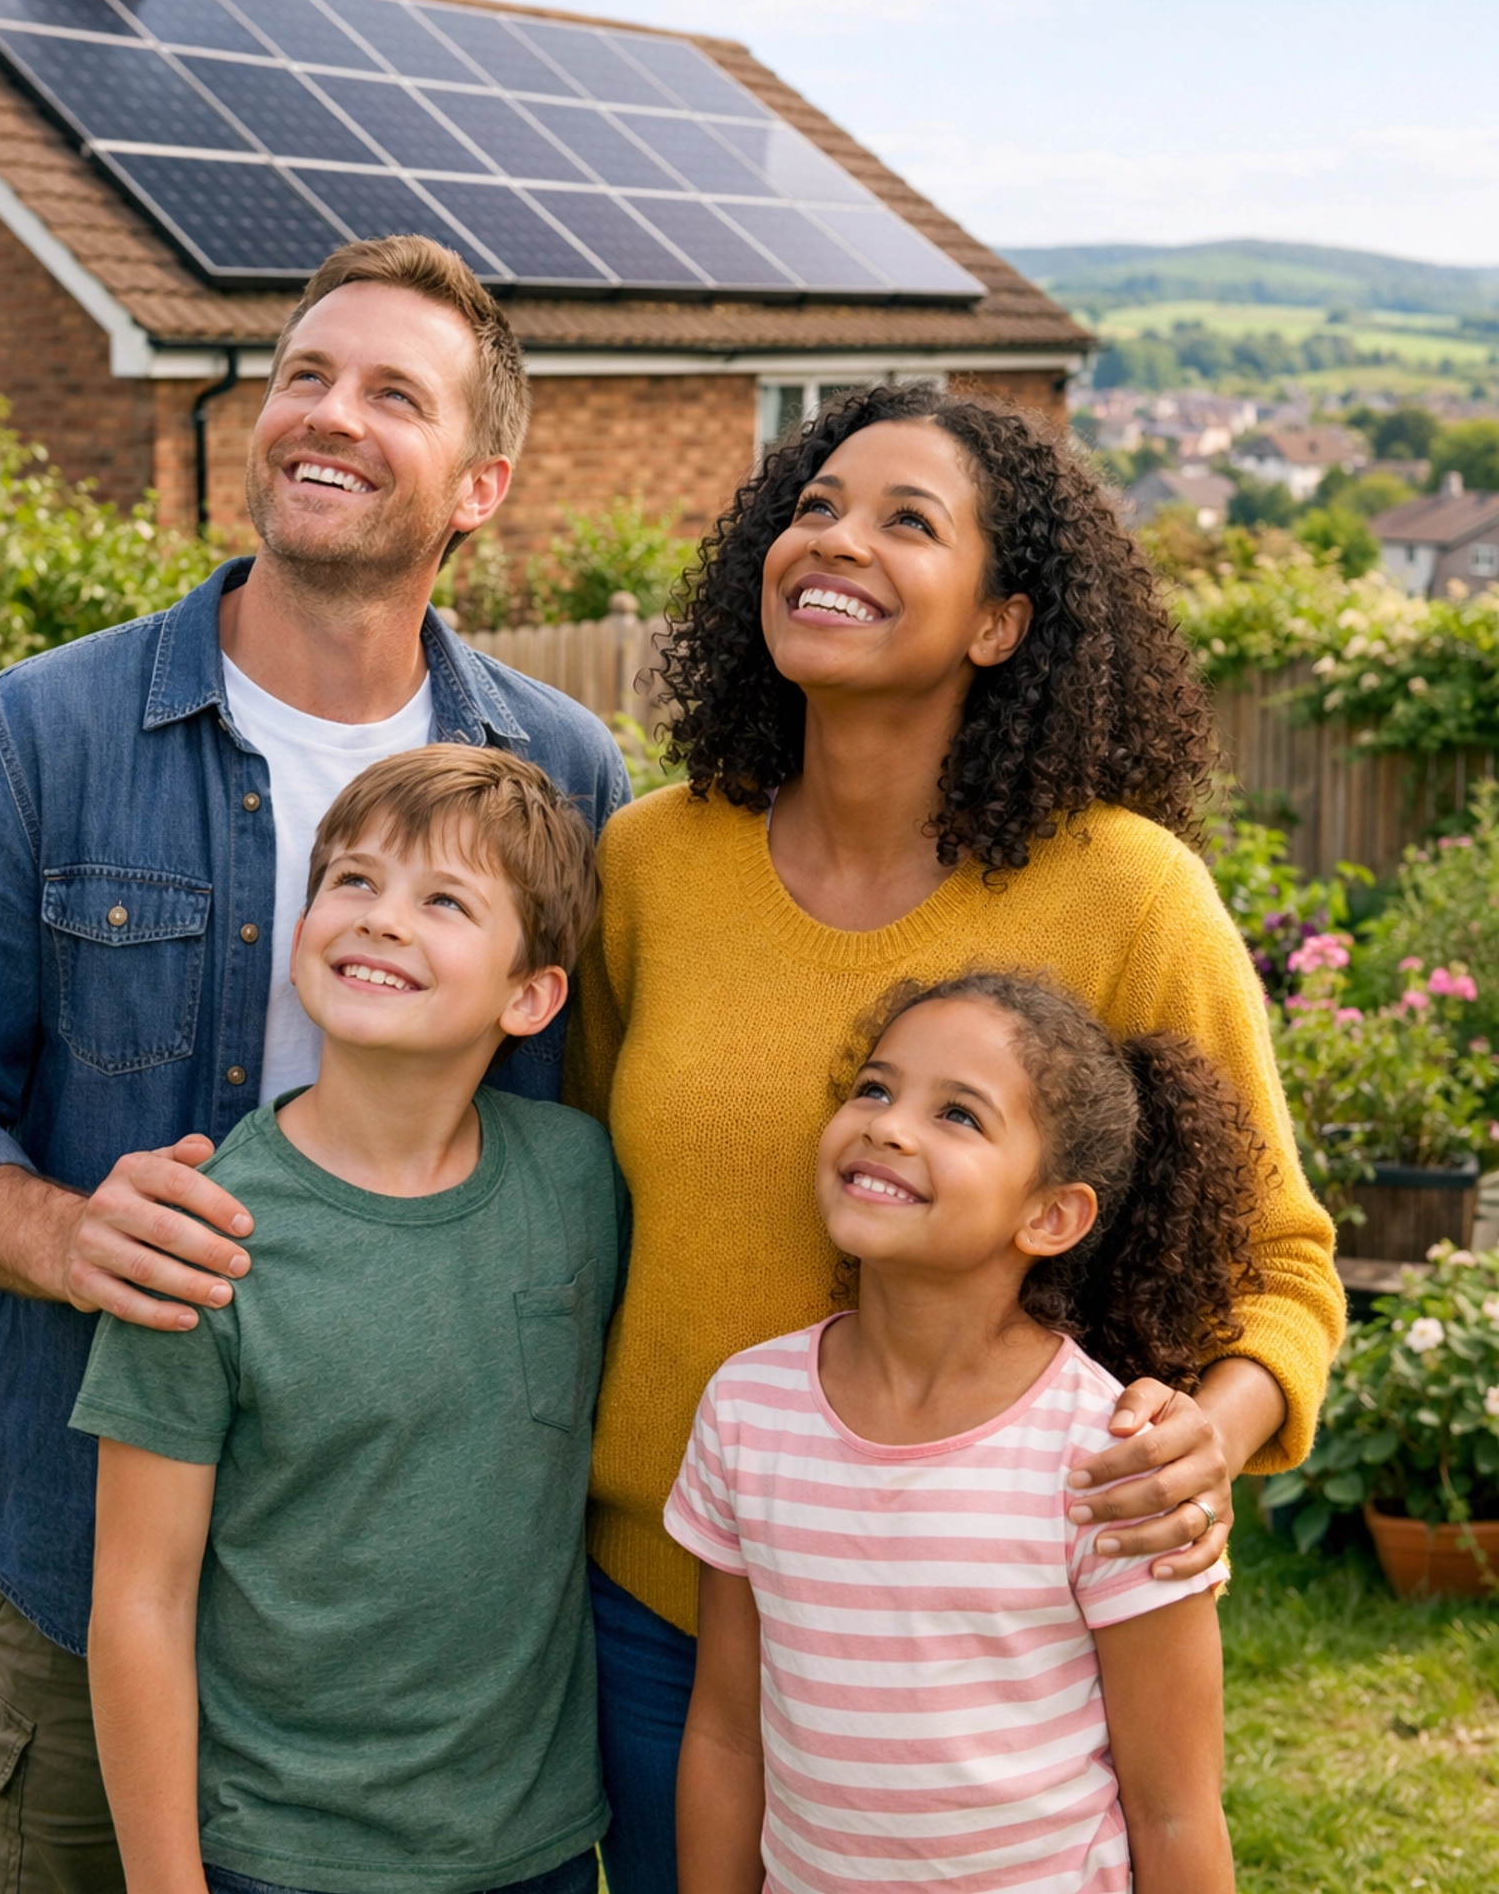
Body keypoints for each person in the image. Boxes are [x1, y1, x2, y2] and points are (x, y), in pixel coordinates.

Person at [569, 383, 1341, 1894]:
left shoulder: (1131, 896)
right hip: (663, 1621)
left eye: (906, 522)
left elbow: (1284, 1263)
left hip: (993, 1642)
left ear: (1001, 622)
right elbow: (574, 1198)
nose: (834, 541)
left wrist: (1217, 1433)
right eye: (813, 508)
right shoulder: (650, 863)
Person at [0, 236, 630, 1893]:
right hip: (94, 1548)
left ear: (478, 482)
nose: (324, 414)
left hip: (418, 1621)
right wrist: (51, 1229)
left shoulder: (559, 766)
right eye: (304, 375)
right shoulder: (34, 735)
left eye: (391, 392)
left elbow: (577, 1132)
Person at [74, 746, 625, 1894]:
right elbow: (139, 1599)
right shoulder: (203, 1233)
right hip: (280, 1851)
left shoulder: (578, 1182)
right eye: (355, 882)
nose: (382, 920)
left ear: (531, 996)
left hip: (534, 1846)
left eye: (444, 901)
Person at [669, 972, 1247, 1894]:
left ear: (1051, 1216)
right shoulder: (747, 1411)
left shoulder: (1115, 1458)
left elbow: (1174, 1808)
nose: (889, 1126)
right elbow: (729, 1738)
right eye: (875, 1088)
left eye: (960, 1116)